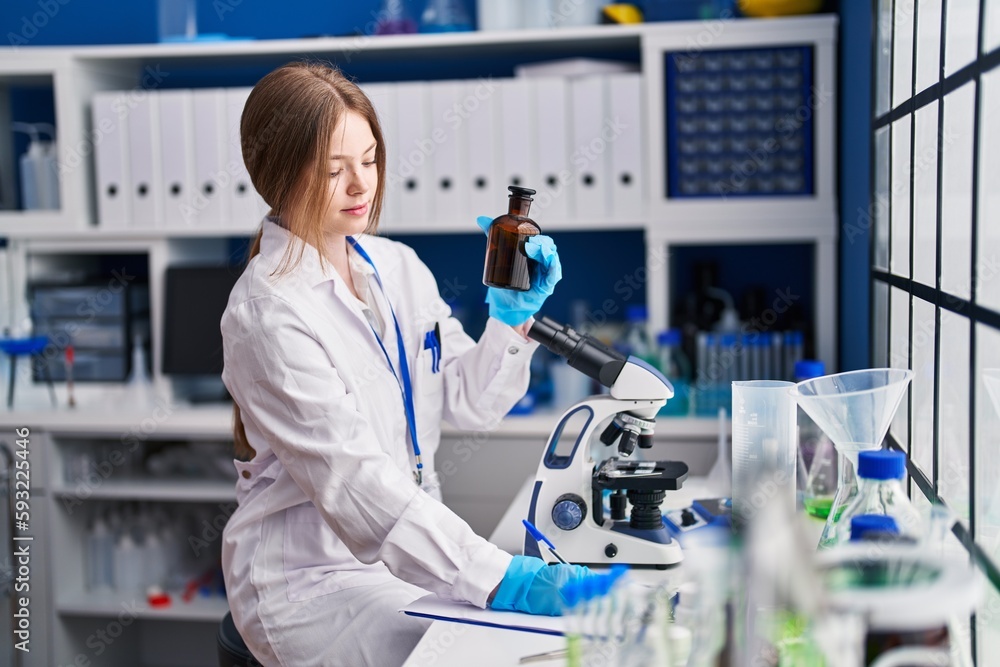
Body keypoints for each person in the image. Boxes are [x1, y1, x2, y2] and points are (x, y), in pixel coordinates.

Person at [220, 62, 591, 667]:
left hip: (406, 556)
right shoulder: (266, 312)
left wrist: (511, 319)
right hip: (311, 583)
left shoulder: (396, 267)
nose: (360, 185)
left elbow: (469, 402)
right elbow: (355, 483)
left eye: (368, 159)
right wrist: (502, 578)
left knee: (528, 646)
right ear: (277, 178)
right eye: (333, 170)